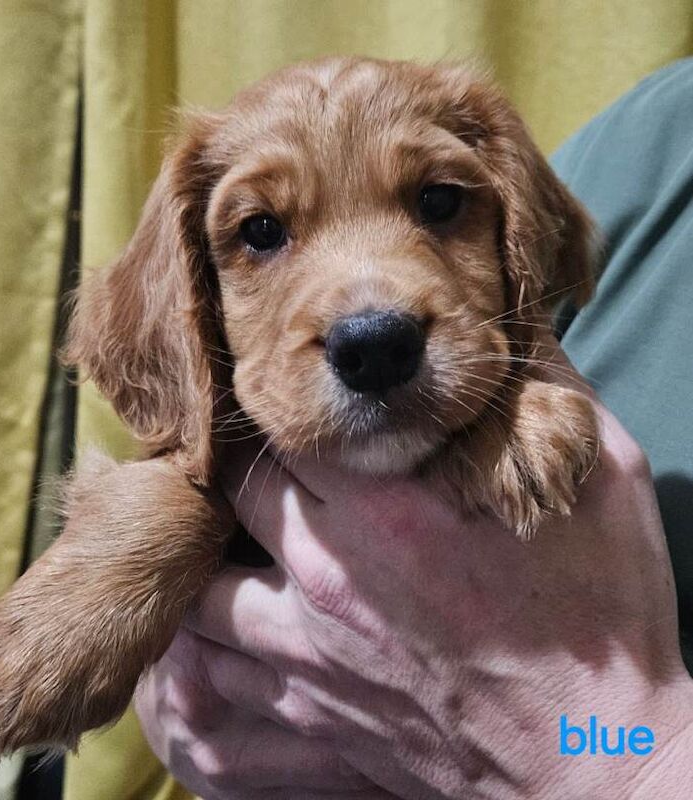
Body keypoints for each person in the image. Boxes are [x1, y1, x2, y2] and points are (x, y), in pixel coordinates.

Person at [135, 60, 693, 798]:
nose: (368, 317)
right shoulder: (655, 135)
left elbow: (527, 335)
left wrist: (629, 763)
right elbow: (174, 447)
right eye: (261, 231)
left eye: (436, 203)